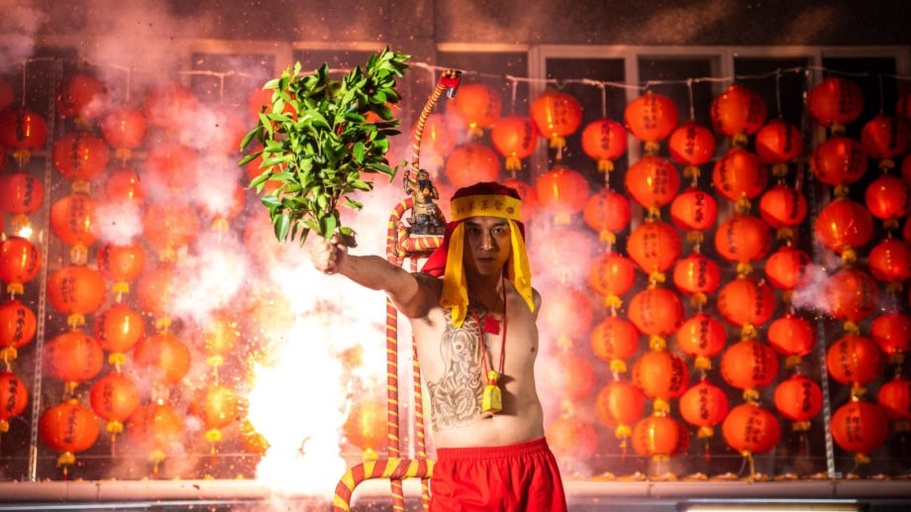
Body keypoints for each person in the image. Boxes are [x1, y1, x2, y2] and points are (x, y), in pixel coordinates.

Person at [310, 181, 568, 511]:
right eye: (473, 231)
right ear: (457, 236)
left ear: (514, 237)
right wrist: (343, 263)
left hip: (533, 469)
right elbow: (390, 276)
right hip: (465, 475)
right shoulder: (429, 298)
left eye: (499, 230)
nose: (486, 244)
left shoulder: (529, 301)